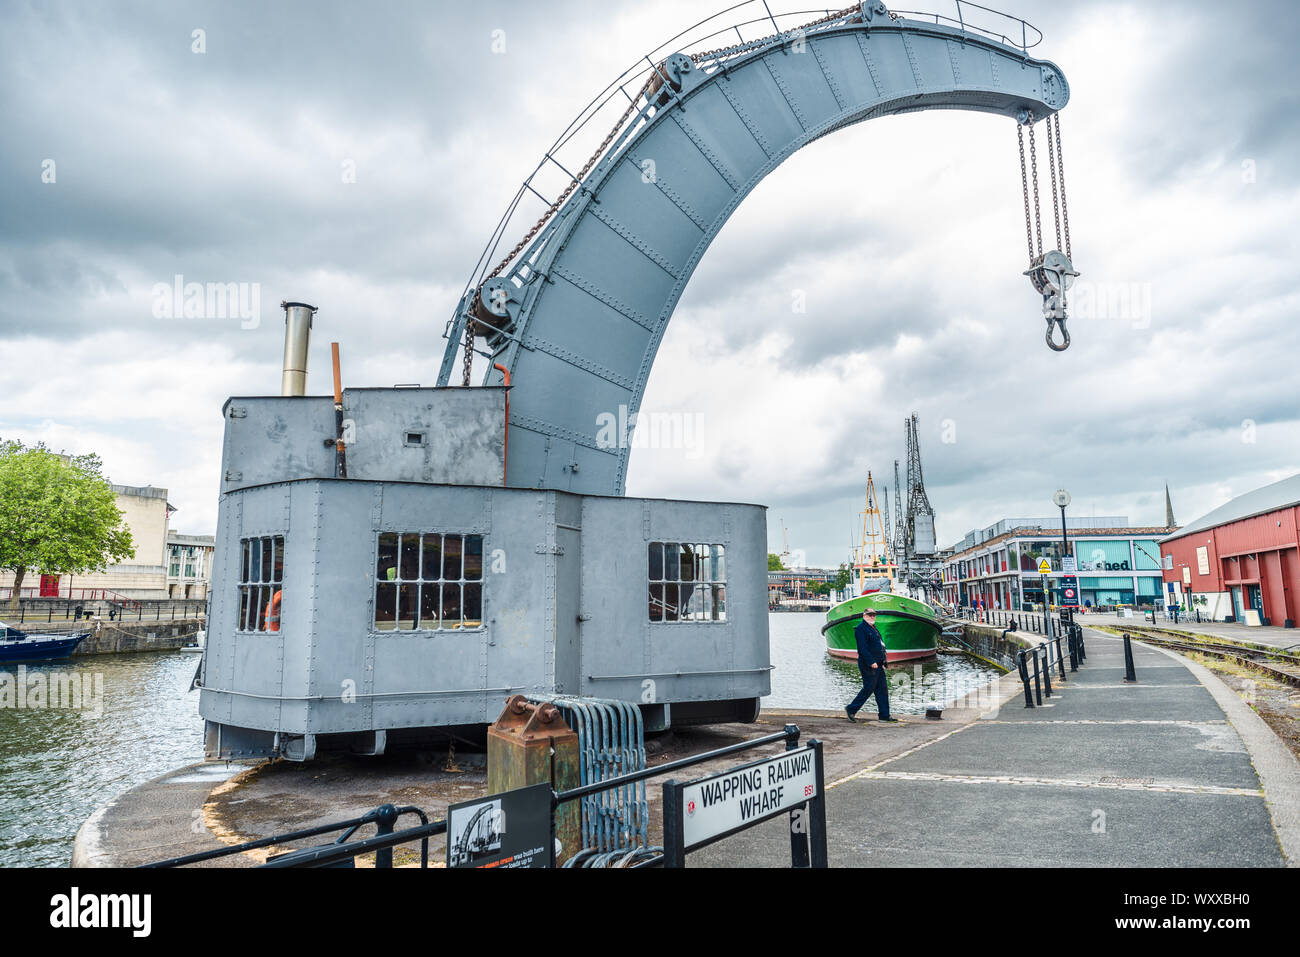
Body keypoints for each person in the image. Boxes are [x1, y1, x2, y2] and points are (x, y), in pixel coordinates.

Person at [845, 608, 897, 723]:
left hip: (878, 664)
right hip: (868, 664)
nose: (872, 617)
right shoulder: (860, 629)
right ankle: (851, 709)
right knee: (869, 688)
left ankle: (884, 715)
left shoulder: (873, 628)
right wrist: (871, 662)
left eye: (874, 615)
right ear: (864, 615)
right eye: (870, 615)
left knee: (882, 690)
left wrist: (883, 662)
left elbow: (880, 645)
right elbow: (862, 649)